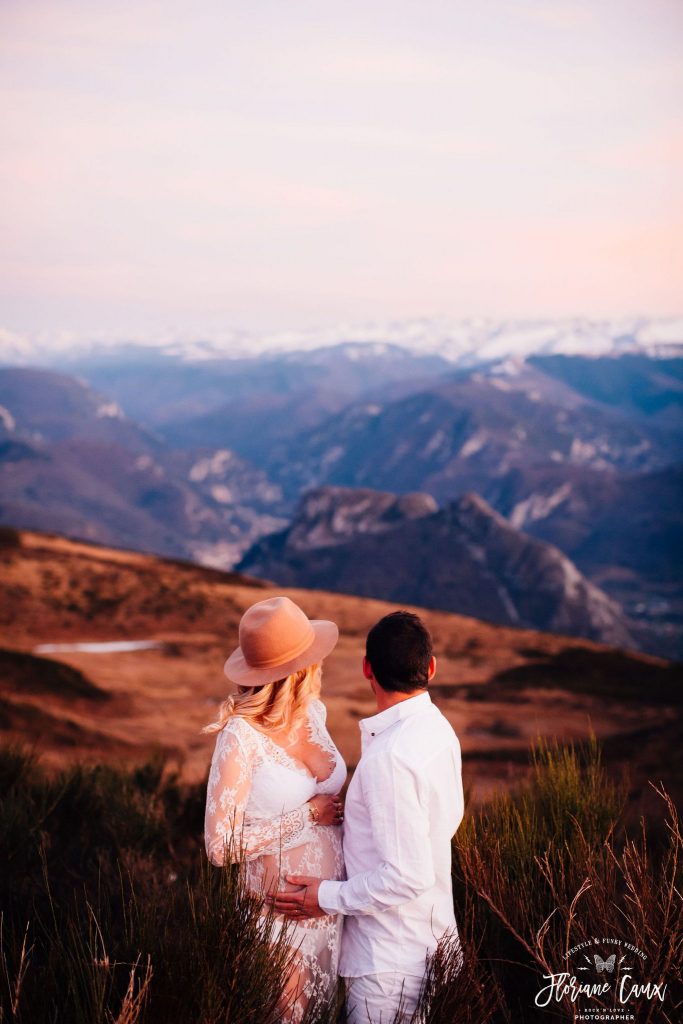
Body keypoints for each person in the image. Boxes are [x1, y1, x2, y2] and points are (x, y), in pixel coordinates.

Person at [269, 610, 464, 1024]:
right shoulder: (438, 729)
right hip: (431, 946)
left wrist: (324, 897)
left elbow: (408, 875)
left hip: (390, 967)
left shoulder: (391, 758)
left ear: (366, 669)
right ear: (430, 668)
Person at [203, 595, 347, 1022]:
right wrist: (306, 816)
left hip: (328, 909)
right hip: (276, 918)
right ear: (300, 669)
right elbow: (218, 846)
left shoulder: (314, 714)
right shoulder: (239, 736)